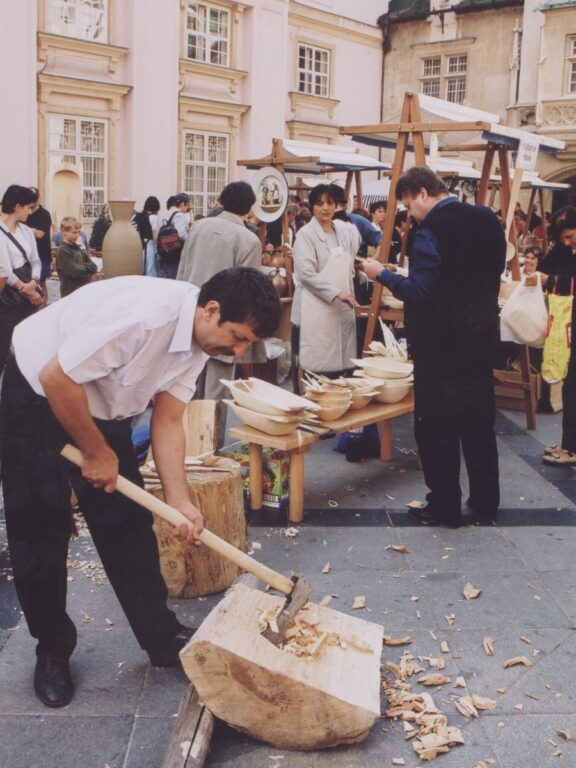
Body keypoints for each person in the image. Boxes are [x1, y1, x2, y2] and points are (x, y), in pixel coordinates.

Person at [0, 267, 280, 709]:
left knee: (127, 522)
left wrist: (181, 501)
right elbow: (57, 378)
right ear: (211, 310)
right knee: (39, 526)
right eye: (238, 336)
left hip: (96, 400)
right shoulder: (143, 318)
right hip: (36, 391)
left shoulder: (201, 339)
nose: (239, 349)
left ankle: (160, 635)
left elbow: (167, 420)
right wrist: (95, 453)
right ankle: (52, 648)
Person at [361, 166, 506, 528]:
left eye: (410, 205)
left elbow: (421, 292)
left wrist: (383, 275)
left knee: (438, 427)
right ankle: (486, 501)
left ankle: (444, 506)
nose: (410, 214)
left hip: (441, 345)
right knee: (478, 423)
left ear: (423, 192)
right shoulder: (488, 219)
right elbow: (491, 272)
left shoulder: (432, 231)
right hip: (481, 337)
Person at [177, 181, 264, 406]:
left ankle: (183, 439)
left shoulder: (197, 227)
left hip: (191, 315)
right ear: (249, 208)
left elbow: (182, 270)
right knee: (216, 397)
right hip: (226, 324)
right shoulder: (248, 240)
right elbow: (249, 293)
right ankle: (210, 441)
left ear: (222, 200)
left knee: (184, 391)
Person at [291, 183, 359, 387]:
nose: (325, 208)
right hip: (313, 313)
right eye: (320, 204)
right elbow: (306, 274)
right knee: (313, 379)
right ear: (312, 207)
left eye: (330, 203)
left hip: (340, 311)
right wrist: (337, 293)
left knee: (339, 378)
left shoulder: (342, 231)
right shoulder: (306, 234)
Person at [540, 207, 576, 465]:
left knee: (573, 386)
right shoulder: (566, 250)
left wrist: (549, 280)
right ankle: (568, 443)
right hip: (569, 323)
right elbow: (550, 265)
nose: (568, 242)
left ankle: (571, 450)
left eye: (571, 237)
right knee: (570, 383)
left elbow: (564, 279)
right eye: (565, 238)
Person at [0, 184, 43, 374]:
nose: (30, 212)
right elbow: (5, 270)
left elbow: (35, 261)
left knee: (28, 344)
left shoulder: (25, 231)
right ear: (18, 207)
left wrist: (33, 282)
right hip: (8, 298)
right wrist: (26, 290)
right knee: (3, 344)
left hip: (27, 293)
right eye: (28, 207)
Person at [56, 217, 98, 296]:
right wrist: (86, 267)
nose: (77, 235)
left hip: (81, 288)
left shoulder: (77, 247)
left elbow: (93, 266)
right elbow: (74, 271)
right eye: (74, 232)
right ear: (64, 231)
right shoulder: (63, 250)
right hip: (70, 290)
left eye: (79, 232)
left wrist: (84, 266)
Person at [156, 193, 191, 279]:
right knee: (174, 280)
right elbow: (181, 235)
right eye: (187, 205)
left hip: (162, 253)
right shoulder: (180, 216)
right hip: (174, 255)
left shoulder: (161, 215)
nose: (187, 208)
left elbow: (157, 235)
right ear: (182, 204)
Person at [26, 186, 53, 293]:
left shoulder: (44, 214)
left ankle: (43, 308)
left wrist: (23, 228)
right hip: (26, 255)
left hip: (42, 255)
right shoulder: (24, 213)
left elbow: (40, 234)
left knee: (41, 283)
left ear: (38, 199)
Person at [133, 195, 161, 276]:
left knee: (142, 269)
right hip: (150, 245)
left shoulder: (140, 216)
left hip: (141, 245)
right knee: (150, 268)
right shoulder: (153, 218)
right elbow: (155, 236)